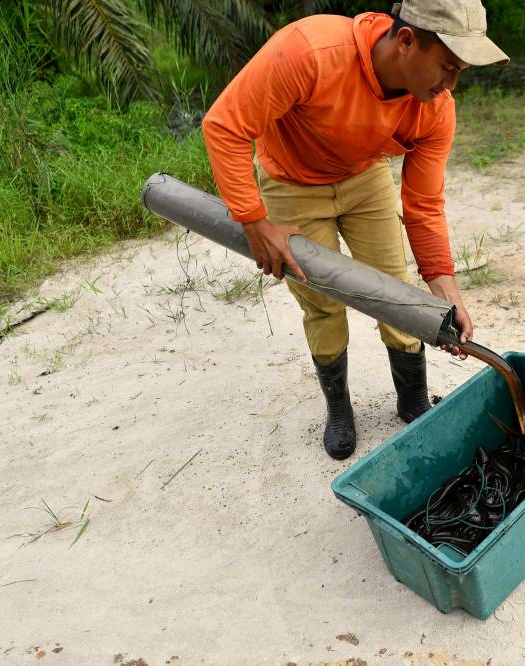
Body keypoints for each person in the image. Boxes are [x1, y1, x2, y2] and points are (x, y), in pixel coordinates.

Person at [202, 0, 509, 460]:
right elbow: (225, 126)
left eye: (460, 71)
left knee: (396, 293)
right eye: (447, 66)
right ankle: (339, 408)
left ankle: (412, 399)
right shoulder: (310, 51)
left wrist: (445, 286)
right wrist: (253, 220)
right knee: (322, 301)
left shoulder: (435, 109)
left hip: (365, 179)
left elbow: (424, 204)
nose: (450, 84)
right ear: (407, 41)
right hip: (292, 182)